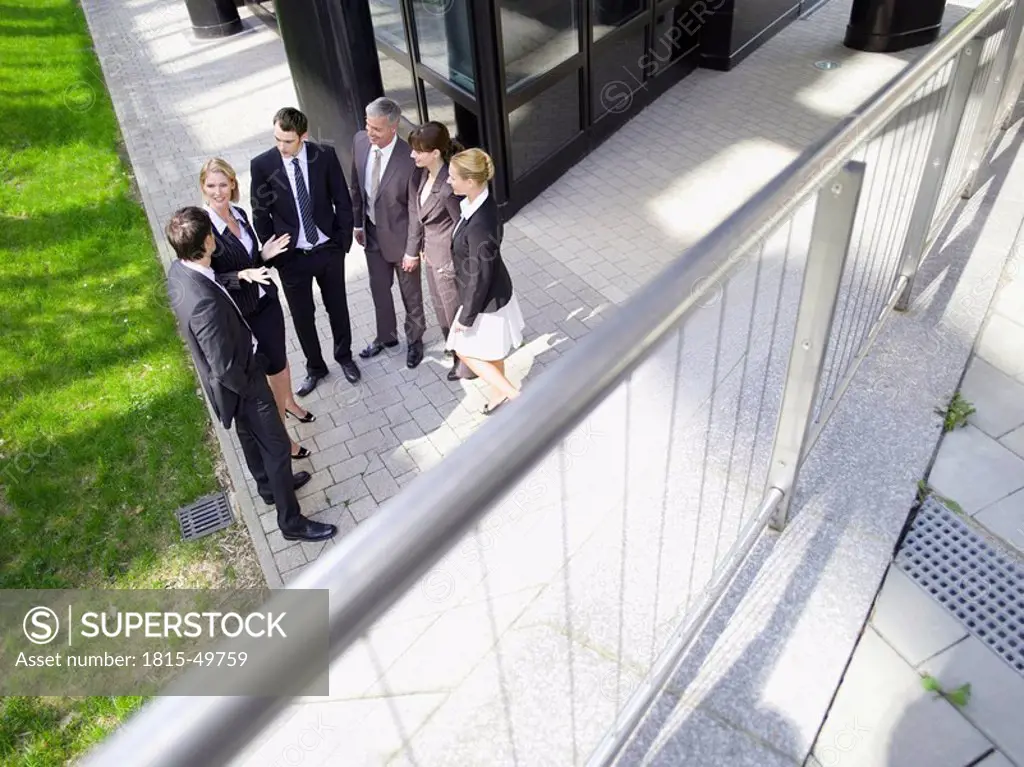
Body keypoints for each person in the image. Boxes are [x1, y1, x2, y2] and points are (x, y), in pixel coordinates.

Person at [163, 206, 336, 543]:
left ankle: (269, 489)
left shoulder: (180, 272)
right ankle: (291, 522)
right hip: (244, 384)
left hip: (234, 384)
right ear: (209, 242)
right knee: (274, 447)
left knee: (249, 440)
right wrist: (253, 379)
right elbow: (224, 365)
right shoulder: (203, 303)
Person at [199, 157, 314, 461]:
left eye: (223, 184)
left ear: (233, 184)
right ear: (202, 187)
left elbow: (250, 260)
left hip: (267, 300)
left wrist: (264, 254)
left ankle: (288, 402)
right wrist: (241, 276)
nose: (218, 191)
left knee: (282, 362)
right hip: (244, 312)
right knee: (273, 371)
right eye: (211, 185)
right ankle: (283, 439)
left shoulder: (239, 213)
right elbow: (207, 278)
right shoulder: (204, 229)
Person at [250, 107, 361, 397]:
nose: (281, 147)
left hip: (328, 250)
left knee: (337, 307)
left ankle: (344, 357)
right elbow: (260, 214)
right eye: (277, 139)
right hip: (292, 258)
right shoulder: (262, 165)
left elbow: (342, 200)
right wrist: (272, 252)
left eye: (288, 141)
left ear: (303, 136)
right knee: (302, 316)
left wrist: (342, 242)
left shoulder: (323, 156)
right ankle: (315, 368)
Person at [445, 148, 525, 415]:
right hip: (490, 293)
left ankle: (515, 396)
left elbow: (480, 273)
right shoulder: (480, 204)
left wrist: (465, 318)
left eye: (453, 177)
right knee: (492, 352)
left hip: (484, 301)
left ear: (470, 181)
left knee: (463, 350)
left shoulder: (480, 222)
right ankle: (500, 393)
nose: (449, 181)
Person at [350, 97, 426, 369]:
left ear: (393, 128)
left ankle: (415, 341)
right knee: (379, 290)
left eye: (376, 129)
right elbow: (356, 187)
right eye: (368, 125)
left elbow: (416, 211)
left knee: (411, 295)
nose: (369, 132)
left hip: (402, 242)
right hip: (371, 236)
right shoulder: (360, 142)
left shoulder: (410, 160)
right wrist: (358, 224)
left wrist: (412, 251)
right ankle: (387, 337)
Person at [406, 121, 473, 382]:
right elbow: (416, 214)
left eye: (418, 151)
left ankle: (466, 364)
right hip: (431, 255)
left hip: (447, 258)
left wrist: (456, 262)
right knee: (440, 306)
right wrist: (415, 249)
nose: (412, 155)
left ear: (435, 153)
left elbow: (461, 226)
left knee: (454, 310)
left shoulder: (448, 187)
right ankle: (455, 349)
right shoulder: (420, 174)